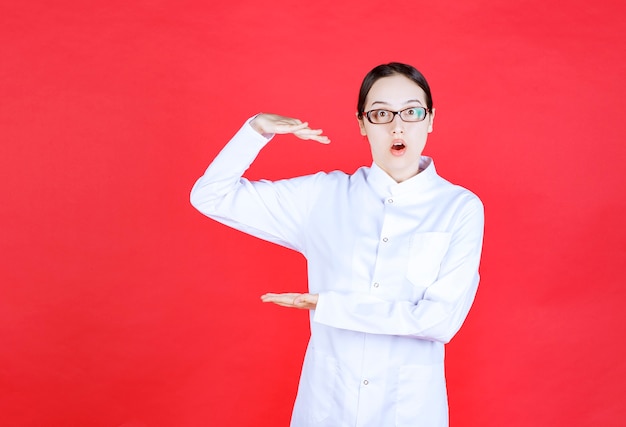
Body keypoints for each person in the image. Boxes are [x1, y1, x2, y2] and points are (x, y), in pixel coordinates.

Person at [190, 62, 484, 427]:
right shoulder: (322, 197)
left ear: (430, 119)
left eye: (411, 111)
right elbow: (211, 197)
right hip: (326, 409)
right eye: (380, 114)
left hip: (409, 412)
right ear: (362, 123)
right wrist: (256, 130)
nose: (397, 126)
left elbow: (439, 322)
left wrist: (329, 306)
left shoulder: (459, 208)